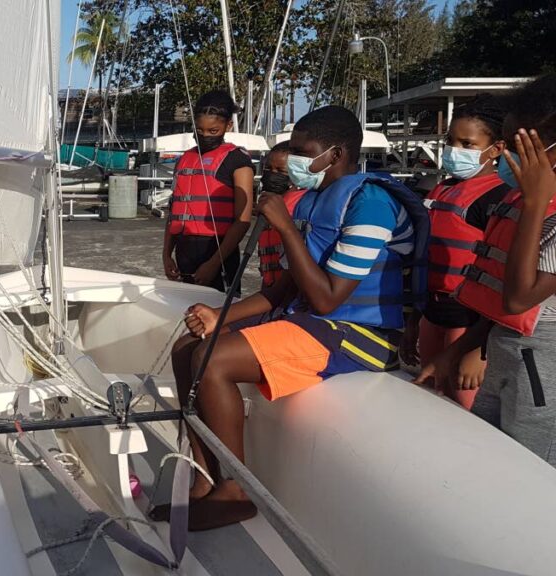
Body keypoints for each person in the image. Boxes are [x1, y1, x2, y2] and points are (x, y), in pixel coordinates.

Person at [156, 106, 427, 531]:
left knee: (213, 360)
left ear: (335, 154)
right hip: (315, 322)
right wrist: (218, 314)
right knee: (187, 348)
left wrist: (283, 228)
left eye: (303, 151)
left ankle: (236, 491)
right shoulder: (317, 202)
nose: (294, 161)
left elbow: (326, 299)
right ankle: (203, 478)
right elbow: (284, 288)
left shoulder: (371, 204)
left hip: (362, 335)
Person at [417, 74, 556, 467]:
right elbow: (499, 307)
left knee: (532, 470)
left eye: (518, 146)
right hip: (503, 352)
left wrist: (535, 202)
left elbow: (517, 298)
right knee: (488, 458)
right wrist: (460, 349)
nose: (505, 157)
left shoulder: (539, 208)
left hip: (543, 372)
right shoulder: (519, 202)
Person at [400, 95, 510, 409]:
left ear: (497, 149)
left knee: (465, 404)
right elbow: (422, 261)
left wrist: (480, 349)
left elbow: (501, 277)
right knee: (432, 396)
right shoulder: (440, 190)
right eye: (450, 140)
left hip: (470, 320)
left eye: (467, 143)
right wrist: (412, 324)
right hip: (432, 312)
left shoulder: (498, 199)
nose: (454, 150)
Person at [163, 90, 254, 292]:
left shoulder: (237, 161)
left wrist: (214, 264)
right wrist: (166, 255)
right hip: (184, 252)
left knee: (217, 316)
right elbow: (174, 212)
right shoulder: (185, 159)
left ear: (228, 126)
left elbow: (243, 221)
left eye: (213, 131)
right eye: (200, 130)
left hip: (219, 252)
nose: (205, 136)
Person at [256, 141, 309, 289]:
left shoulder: (303, 204)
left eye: (281, 171)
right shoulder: (267, 204)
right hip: (269, 287)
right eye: (268, 169)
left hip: (292, 289)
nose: (273, 174)